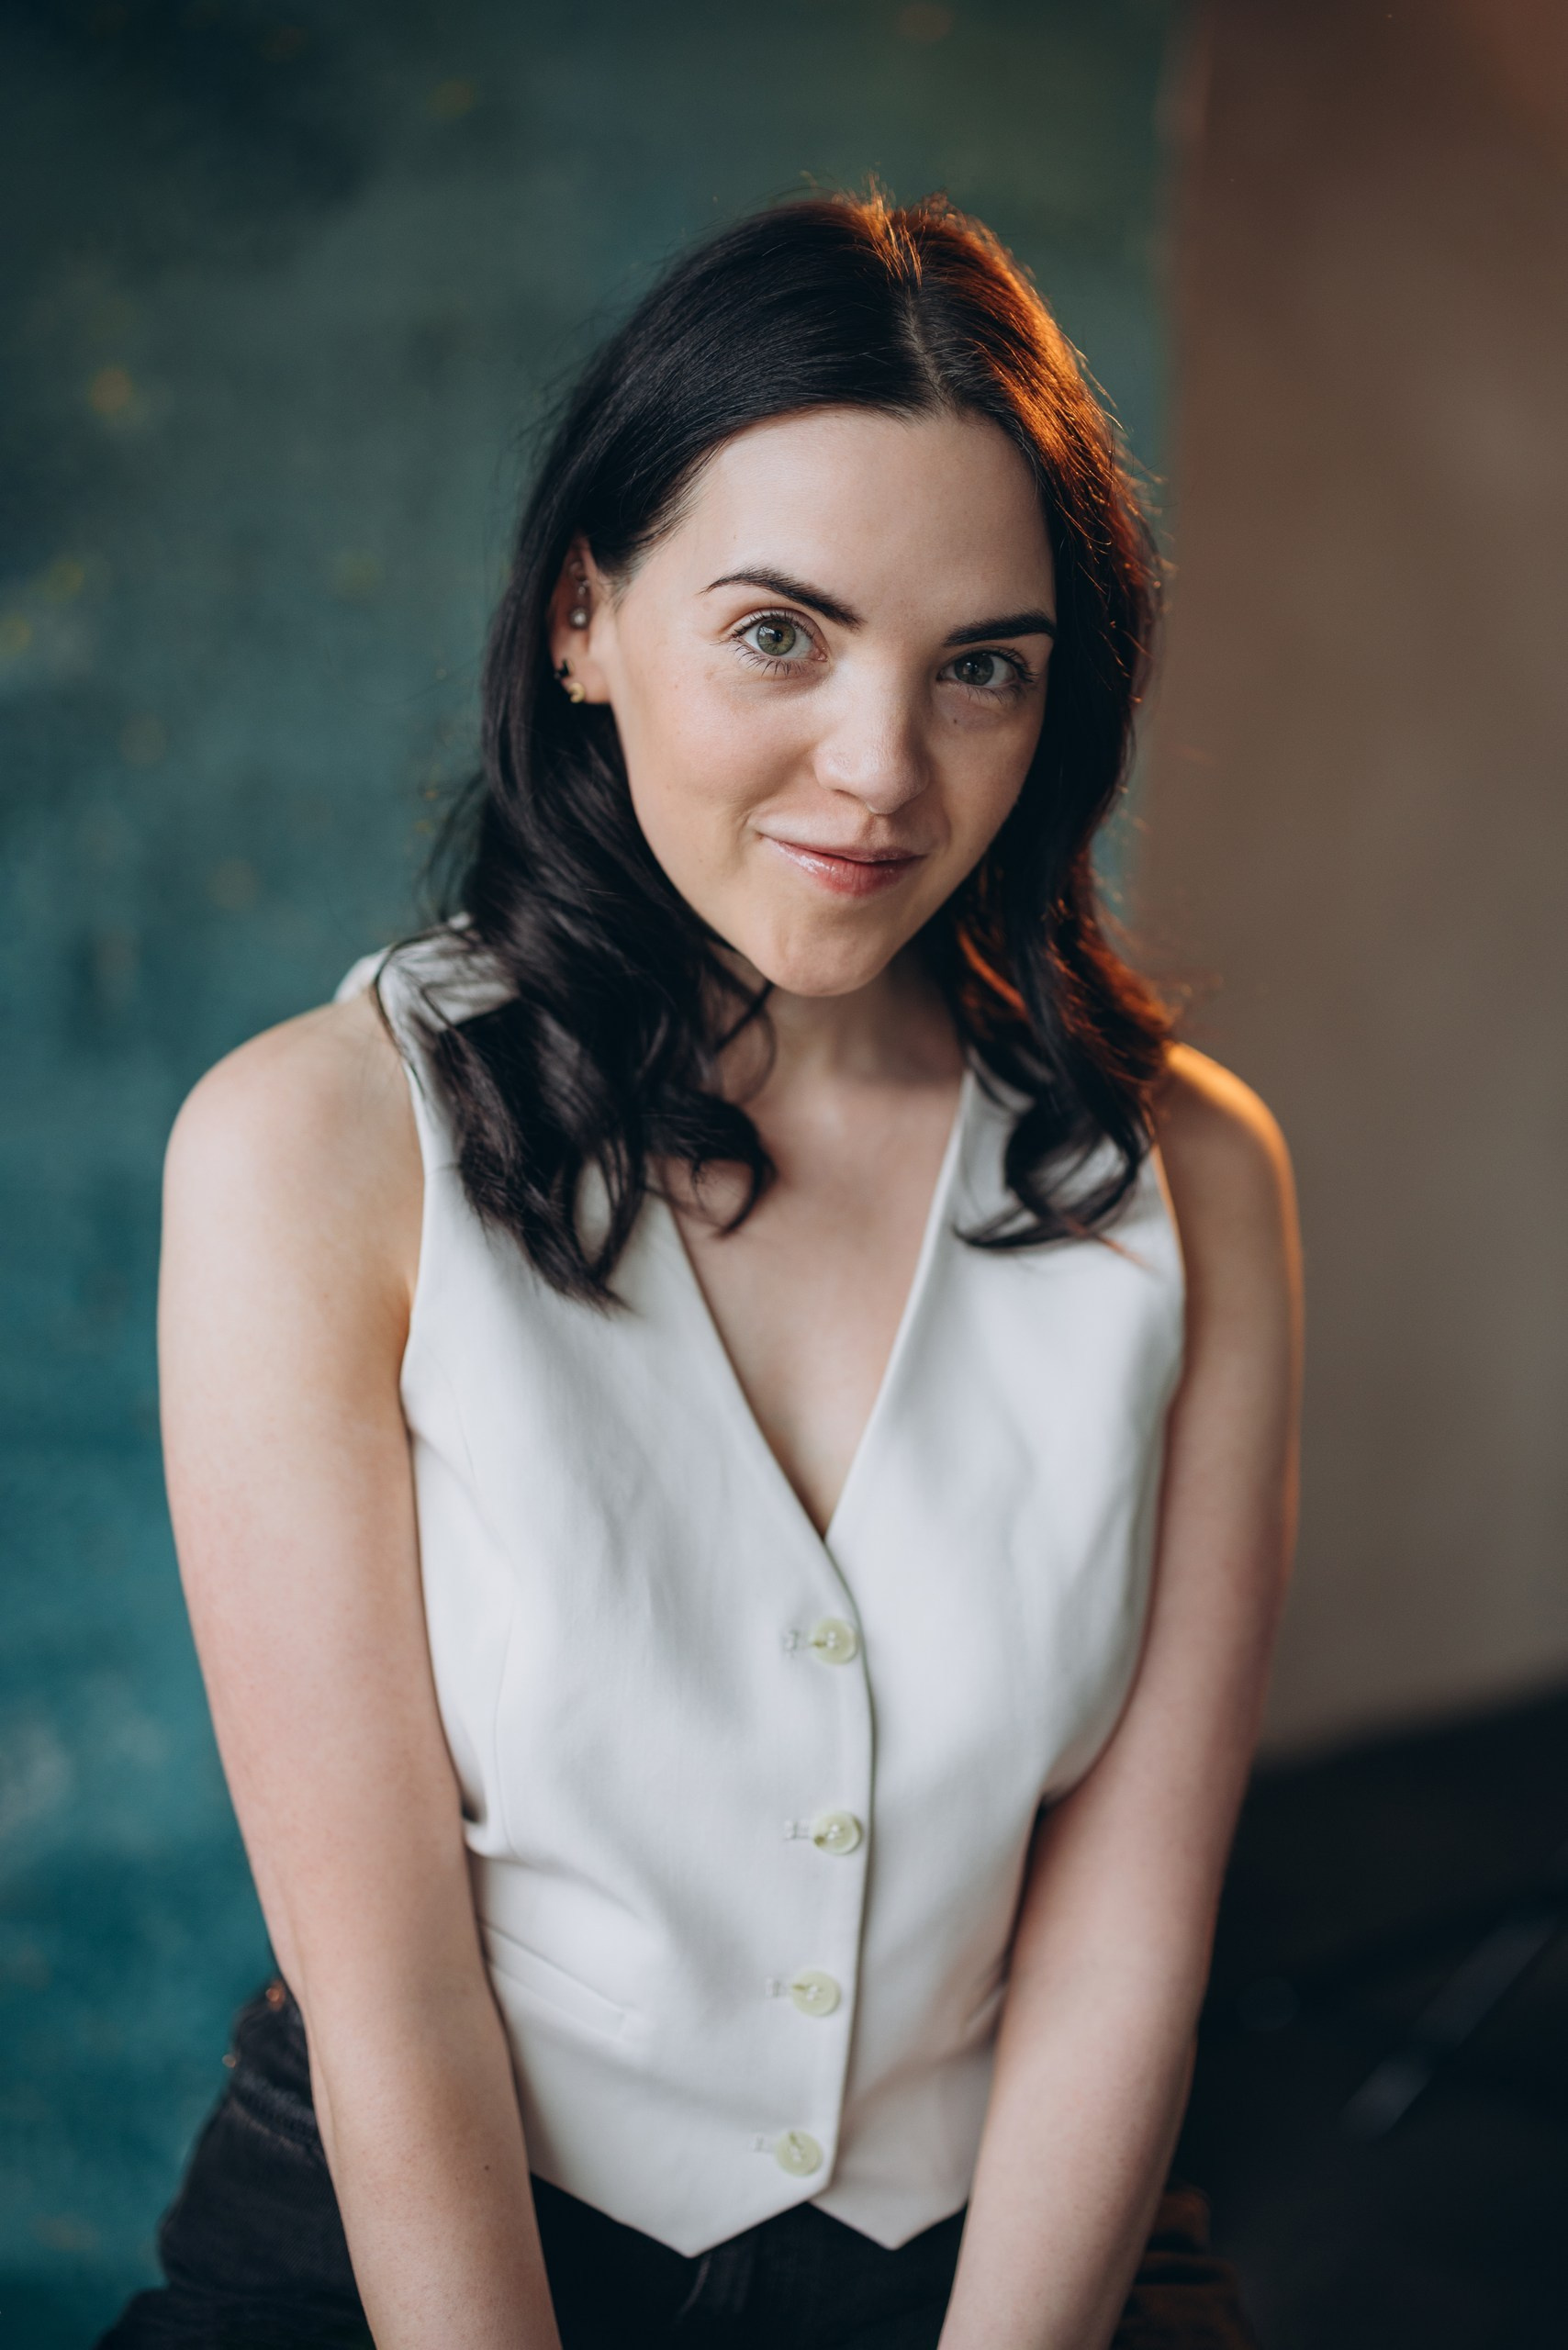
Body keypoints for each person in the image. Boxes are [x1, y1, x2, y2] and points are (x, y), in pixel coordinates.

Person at [103, 193, 1300, 2350]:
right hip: (429, 2227)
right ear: (585, 614)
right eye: (779, 632)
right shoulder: (307, 1149)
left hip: (1007, 2233)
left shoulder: (1187, 1177)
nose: (877, 769)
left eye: (980, 669)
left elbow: (1126, 1936)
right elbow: (386, 1990)